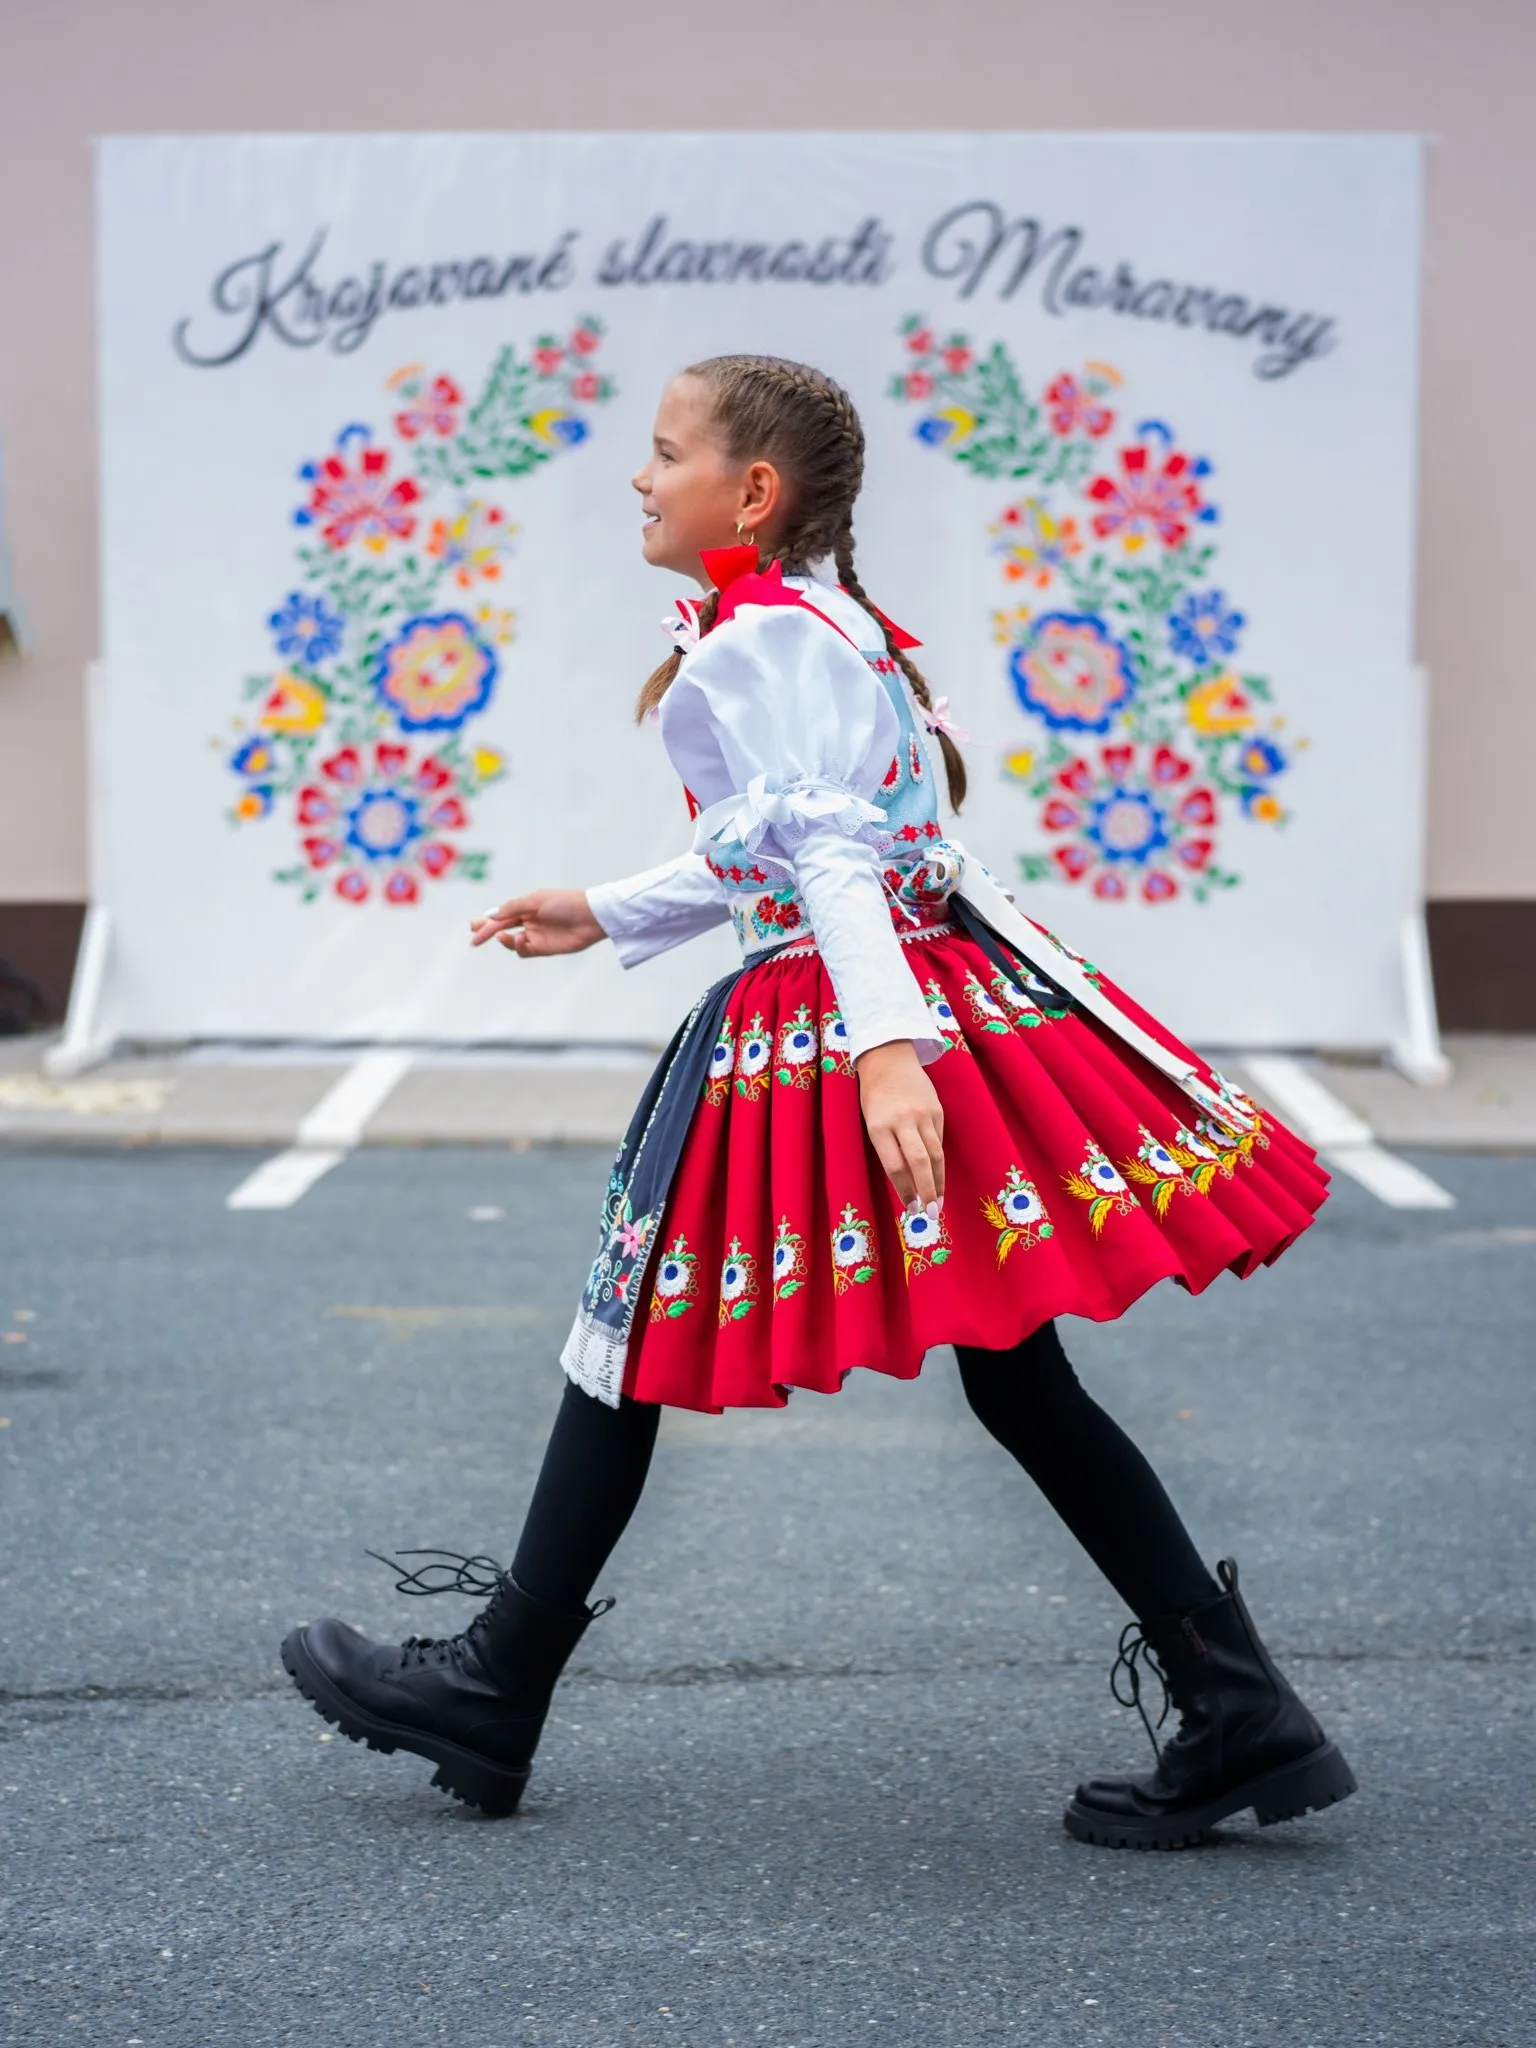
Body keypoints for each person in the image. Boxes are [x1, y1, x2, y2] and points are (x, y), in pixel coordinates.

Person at [282, 355, 1356, 1850]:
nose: (642, 476)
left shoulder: (765, 637)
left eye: (666, 452)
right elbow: (795, 839)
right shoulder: (824, 619)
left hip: (843, 1011)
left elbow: (834, 850)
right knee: (1012, 1375)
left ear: (752, 493)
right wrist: (611, 907)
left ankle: (494, 1684)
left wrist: (884, 1049)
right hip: (921, 985)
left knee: (634, 1328)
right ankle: (1237, 1705)